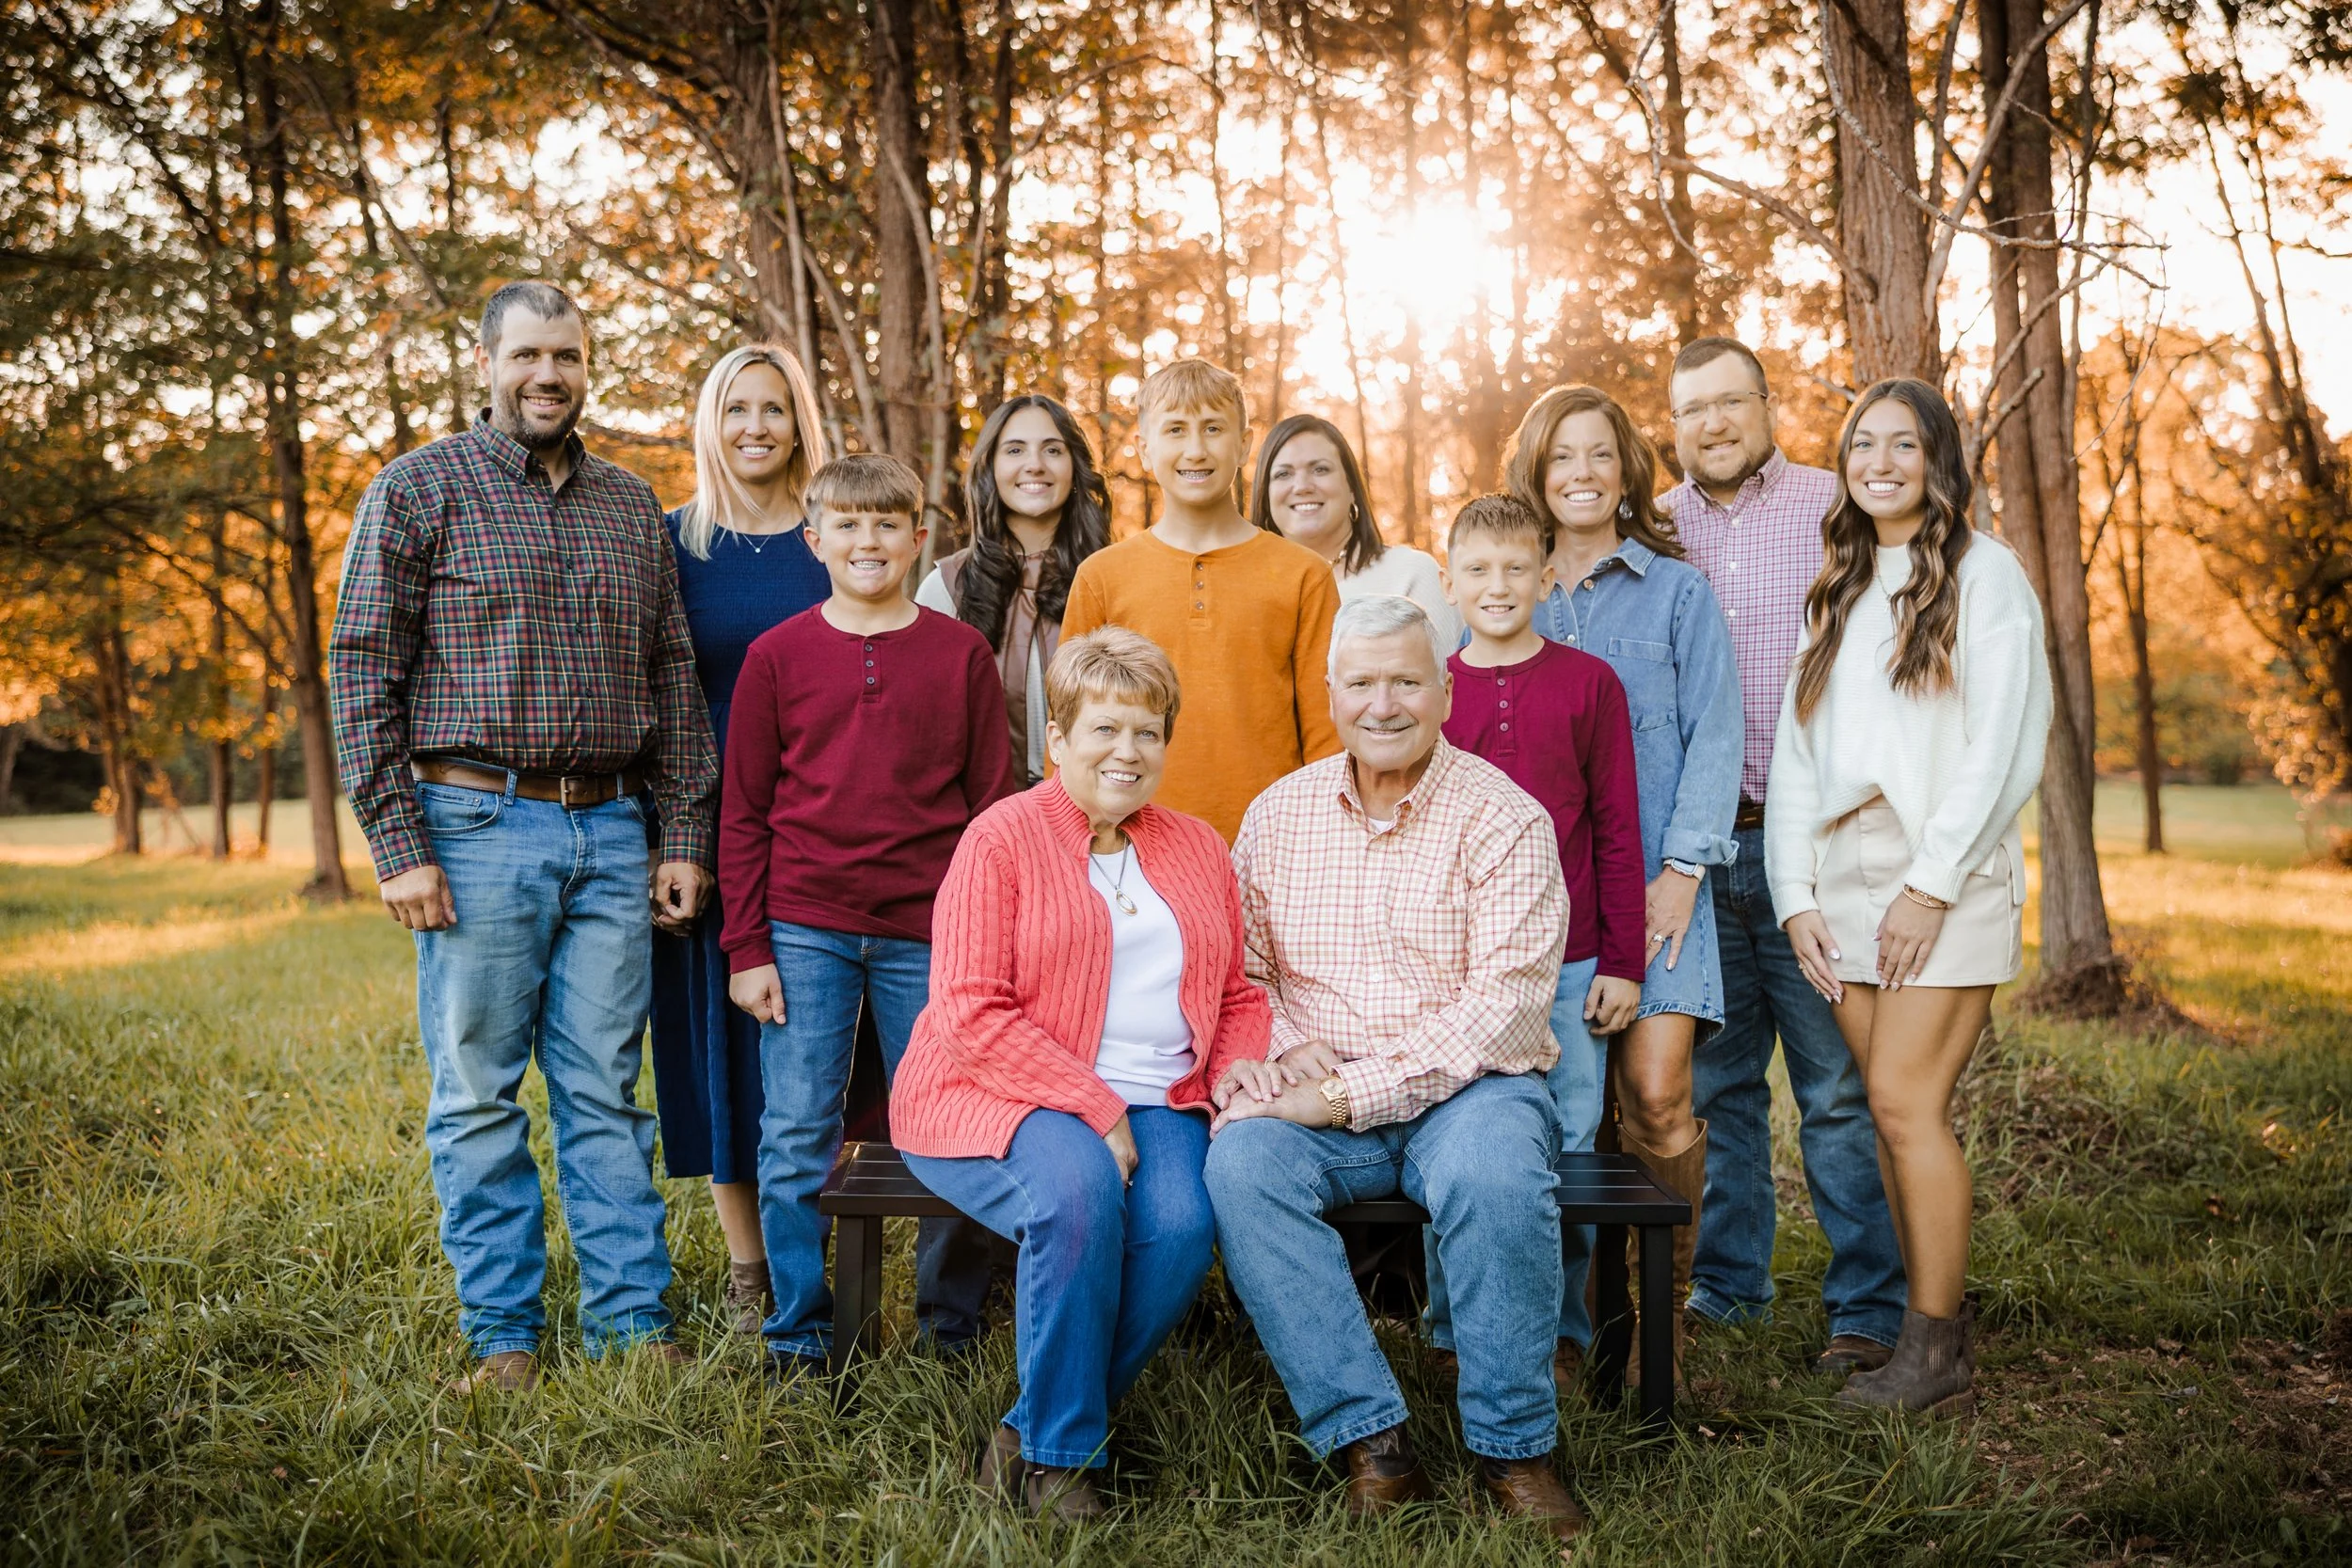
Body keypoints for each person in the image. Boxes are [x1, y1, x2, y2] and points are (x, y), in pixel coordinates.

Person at [329, 281, 718, 1392]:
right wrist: (398, 841)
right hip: (472, 821)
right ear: (488, 362)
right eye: (528, 354)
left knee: (605, 1091)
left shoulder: (628, 505)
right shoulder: (418, 491)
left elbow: (670, 677)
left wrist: (681, 829)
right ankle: (503, 1336)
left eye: (568, 355)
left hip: (611, 825)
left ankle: (632, 1326)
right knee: (479, 1094)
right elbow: (363, 668)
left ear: (588, 367)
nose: (548, 374)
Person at [1205, 594, 1586, 1542]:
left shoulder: (1504, 818)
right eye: (1363, 681)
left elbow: (1503, 1010)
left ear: (1444, 690)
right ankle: (1371, 1439)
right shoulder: (1277, 813)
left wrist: (1341, 1094)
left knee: (1499, 1174)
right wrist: (1284, 1040)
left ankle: (1513, 1446)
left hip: (1471, 1089)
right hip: (1315, 1079)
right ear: (1331, 693)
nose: (1385, 702)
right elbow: (1245, 971)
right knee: (1240, 1167)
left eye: (1406, 679)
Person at [893, 628, 1272, 1520]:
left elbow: (1237, 993)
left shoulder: (1195, 845)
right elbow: (970, 1007)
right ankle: (1064, 1460)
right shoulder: (1002, 840)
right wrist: (1094, 1107)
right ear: (1056, 738)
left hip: (1163, 1092)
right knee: (1077, 1198)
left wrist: (1241, 1070)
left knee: (1181, 1226)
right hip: (1006, 1087)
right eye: (1103, 729)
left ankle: (1025, 1426)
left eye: (1146, 733)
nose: (1127, 752)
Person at [1769, 378, 2050, 1418]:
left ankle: (1934, 1354)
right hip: (1840, 883)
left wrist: (1932, 884)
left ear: (1939, 459)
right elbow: (1797, 754)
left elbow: (2001, 746)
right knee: (1889, 1115)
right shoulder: (1838, 581)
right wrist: (1794, 893)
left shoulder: (1986, 575)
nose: (1878, 461)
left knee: (1901, 1101)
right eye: (1860, 444)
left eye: (1903, 444)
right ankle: (1918, 1330)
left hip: (1944, 875)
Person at [718, 452, 1017, 1381]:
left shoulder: (960, 653)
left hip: (929, 930)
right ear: (815, 541)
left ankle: (947, 1329)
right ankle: (802, 1335)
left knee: (952, 1120)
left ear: (918, 537)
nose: (867, 540)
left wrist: (986, 943)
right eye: (845, 524)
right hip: (804, 922)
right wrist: (747, 947)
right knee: (797, 1123)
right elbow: (744, 809)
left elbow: (992, 808)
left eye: (886, 522)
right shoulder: (778, 655)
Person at [1662, 336, 1908, 1373]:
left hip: (1810, 846)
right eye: (1691, 411)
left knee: (1836, 1087)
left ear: (1767, 405)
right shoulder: (1656, 528)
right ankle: (1730, 1285)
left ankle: (1869, 1304)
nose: (1712, 424)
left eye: (1729, 402)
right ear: (1672, 427)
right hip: (1697, 860)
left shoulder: (1828, 505)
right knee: (1719, 1087)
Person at [1502, 383, 1740, 1377]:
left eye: (1600, 454)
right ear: (1536, 473)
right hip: (1536, 903)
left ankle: (1657, 1329)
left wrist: (1684, 870)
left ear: (1627, 468)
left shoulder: (1677, 593)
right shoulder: (1513, 591)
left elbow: (1716, 737)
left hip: (1656, 886)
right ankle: (1558, 1331)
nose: (1582, 474)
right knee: (1552, 1113)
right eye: (1562, 457)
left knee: (1654, 1094)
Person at [1423, 493, 1645, 1386]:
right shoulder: (1434, 689)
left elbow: (1617, 827)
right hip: (1456, 969)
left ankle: (1561, 1332)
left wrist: (1623, 962)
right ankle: (1451, 1335)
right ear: (1450, 581)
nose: (1498, 584)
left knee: (1566, 1149)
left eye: (1517, 567)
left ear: (1547, 575)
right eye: (1477, 569)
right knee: (1453, 1144)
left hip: (1571, 962)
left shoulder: (1589, 683)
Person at [647, 344, 831, 1338]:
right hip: (700, 829)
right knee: (718, 1049)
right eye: (737, 410)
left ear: (799, 421)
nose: (756, 427)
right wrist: (669, 830)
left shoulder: (829, 539)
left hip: (817, 829)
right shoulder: (671, 542)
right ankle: (747, 1266)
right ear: (710, 423)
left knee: (803, 1048)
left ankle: (823, 1240)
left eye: (774, 409)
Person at [1059, 358, 1342, 843]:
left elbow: (1328, 735)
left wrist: (1324, 840)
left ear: (1244, 444)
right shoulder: (1102, 576)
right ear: (1145, 450)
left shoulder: (1303, 575)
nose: (1196, 448)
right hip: (1129, 845)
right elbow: (1069, 728)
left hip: (1273, 844)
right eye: (1175, 430)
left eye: (1213, 428)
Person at [914, 395, 1114, 786]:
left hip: (1099, 817)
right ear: (990, 467)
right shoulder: (946, 588)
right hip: (984, 823)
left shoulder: (1113, 579)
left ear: (1075, 467)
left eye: (1053, 450)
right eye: (1015, 450)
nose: (1034, 465)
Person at [1250, 413, 1462, 649]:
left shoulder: (1411, 574)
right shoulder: (1247, 590)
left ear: (1352, 487)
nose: (1302, 487)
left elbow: (1445, 680)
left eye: (1320, 469)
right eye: (1283, 474)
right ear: (1265, 495)